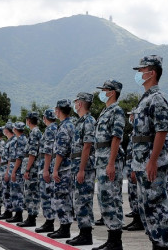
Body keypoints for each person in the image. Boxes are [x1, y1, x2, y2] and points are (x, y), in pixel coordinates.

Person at [131, 55, 168, 250]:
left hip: (152, 163)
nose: (139, 74)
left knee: (157, 207)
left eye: (142, 70)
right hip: (141, 162)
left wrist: (153, 161)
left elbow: (161, 131)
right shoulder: (145, 99)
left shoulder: (157, 99)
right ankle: (156, 243)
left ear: (152, 73)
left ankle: (163, 245)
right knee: (146, 208)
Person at [94, 79, 126, 250]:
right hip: (101, 159)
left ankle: (116, 241)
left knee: (112, 199)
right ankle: (111, 238)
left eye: (105, 89)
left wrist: (111, 162)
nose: (102, 92)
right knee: (104, 199)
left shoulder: (117, 111)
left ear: (112, 92)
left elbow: (116, 138)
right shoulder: (106, 111)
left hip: (109, 160)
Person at [66, 92, 97, 246]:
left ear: (81, 103)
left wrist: (82, 169)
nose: (75, 104)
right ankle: (82, 232)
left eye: (76, 101)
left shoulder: (89, 121)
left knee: (84, 201)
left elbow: (87, 146)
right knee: (78, 200)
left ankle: (86, 234)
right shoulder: (80, 122)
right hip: (77, 164)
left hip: (84, 167)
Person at [48, 99, 76, 239]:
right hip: (67, 168)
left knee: (62, 199)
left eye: (56, 110)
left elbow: (61, 151)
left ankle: (65, 228)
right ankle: (64, 227)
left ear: (59, 110)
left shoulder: (64, 127)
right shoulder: (70, 125)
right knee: (64, 198)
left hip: (63, 169)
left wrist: (55, 169)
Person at [18, 112, 42, 227]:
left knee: (31, 194)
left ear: (28, 120)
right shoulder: (34, 132)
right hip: (32, 167)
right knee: (31, 193)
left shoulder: (34, 133)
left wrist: (27, 169)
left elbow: (32, 153)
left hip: (32, 169)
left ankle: (31, 218)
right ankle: (31, 217)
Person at [36, 109, 58, 234]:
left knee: (46, 196)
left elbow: (48, 151)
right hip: (50, 167)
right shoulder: (56, 128)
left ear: (45, 118)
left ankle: (49, 222)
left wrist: (45, 169)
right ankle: (49, 222)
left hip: (47, 168)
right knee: (50, 196)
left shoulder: (50, 130)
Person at [7, 121, 28, 223]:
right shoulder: (22, 139)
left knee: (17, 193)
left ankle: (18, 215)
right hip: (19, 168)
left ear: (15, 129)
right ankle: (17, 214)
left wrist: (14, 171)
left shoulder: (20, 140)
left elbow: (19, 158)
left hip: (18, 170)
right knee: (16, 192)